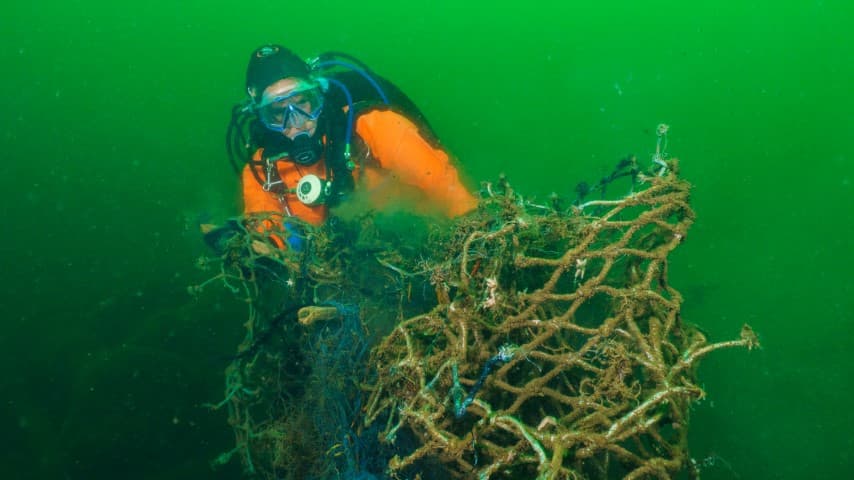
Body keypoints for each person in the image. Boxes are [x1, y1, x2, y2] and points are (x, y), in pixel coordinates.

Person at [225, 44, 478, 249]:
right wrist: (253, 253)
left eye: (303, 103)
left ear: (319, 96)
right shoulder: (261, 171)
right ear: (261, 117)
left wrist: (475, 235)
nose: (297, 123)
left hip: (421, 244)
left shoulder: (372, 126)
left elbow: (446, 187)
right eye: (279, 113)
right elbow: (267, 239)